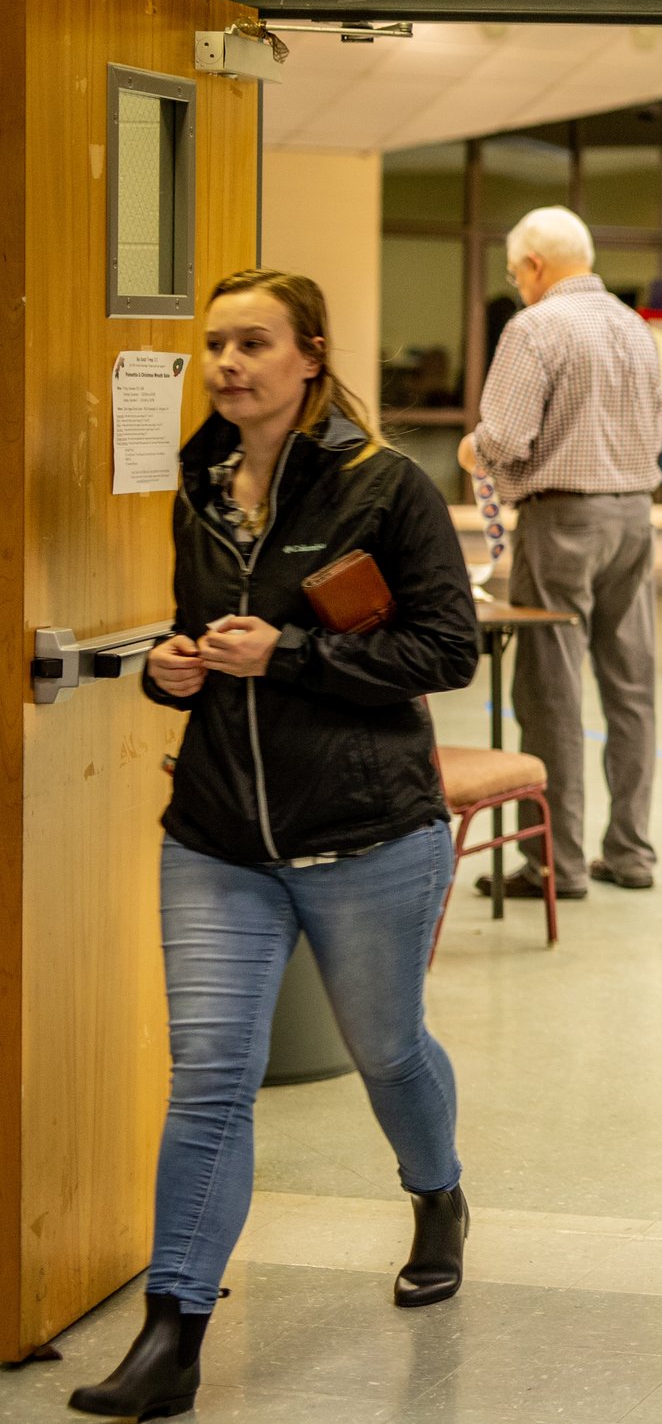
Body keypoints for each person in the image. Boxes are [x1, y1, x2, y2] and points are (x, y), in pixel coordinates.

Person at [73, 271, 479, 1421]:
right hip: (215, 838)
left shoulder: (383, 485)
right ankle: (172, 1335)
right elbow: (199, 642)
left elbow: (447, 652)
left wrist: (288, 657)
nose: (229, 364)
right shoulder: (198, 488)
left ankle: (438, 1194)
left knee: (388, 1049)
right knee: (208, 1081)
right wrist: (175, 669)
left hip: (365, 834)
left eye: (253, 343)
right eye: (215, 346)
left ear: (310, 352)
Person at [459, 206, 662, 896]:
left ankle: (555, 862)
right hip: (636, 516)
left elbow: (505, 437)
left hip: (563, 518)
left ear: (536, 266)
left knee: (550, 688)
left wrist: (473, 449)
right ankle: (631, 852)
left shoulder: (536, 326)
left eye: (516, 271)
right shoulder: (638, 330)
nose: (517, 284)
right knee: (630, 686)